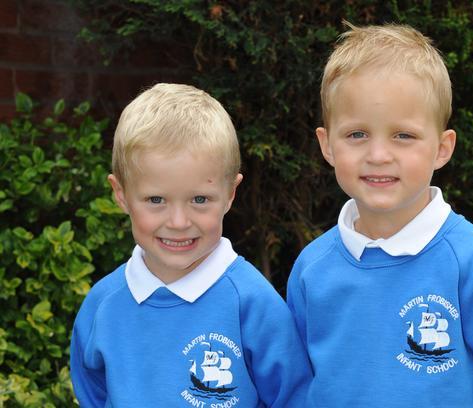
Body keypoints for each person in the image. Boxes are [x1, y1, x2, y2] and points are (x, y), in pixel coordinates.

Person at [286, 23, 473, 407]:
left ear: (442, 148)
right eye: (357, 134)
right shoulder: (311, 269)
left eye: (403, 136)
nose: (378, 155)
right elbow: (295, 387)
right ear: (327, 144)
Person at [70, 83, 311, 407]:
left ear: (230, 193)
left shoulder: (252, 302)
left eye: (200, 199)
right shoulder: (103, 305)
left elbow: (293, 397)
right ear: (121, 194)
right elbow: (93, 395)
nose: (179, 222)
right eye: (156, 200)